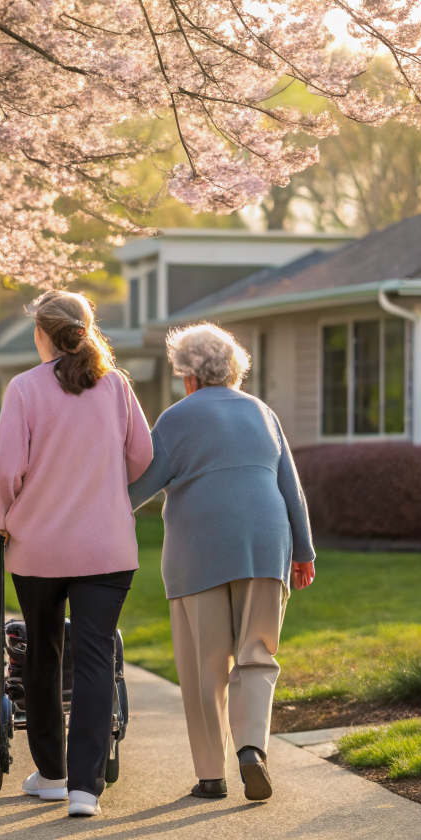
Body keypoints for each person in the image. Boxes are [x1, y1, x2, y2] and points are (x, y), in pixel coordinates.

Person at [128, 322, 315, 802]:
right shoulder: (262, 412)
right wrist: (304, 552)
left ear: (188, 375)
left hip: (198, 552)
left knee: (204, 667)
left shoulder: (175, 419)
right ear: (233, 369)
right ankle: (252, 748)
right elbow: (290, 488)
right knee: (257, 654)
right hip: (266, 545)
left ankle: (211, 776)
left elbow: (135, 490)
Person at [0, 290, 153, 818]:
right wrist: (99, 490)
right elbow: (142, 456)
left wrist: (1, 519)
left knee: (43, 653)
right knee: (96, 657)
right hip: (107, 546)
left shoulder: (24, 389)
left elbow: (7, 472)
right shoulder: (117, 387)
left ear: (43, 333)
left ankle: (53, 775)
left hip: (38, 548)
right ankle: (86, 787)